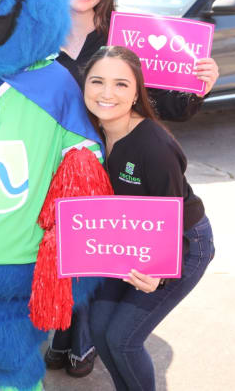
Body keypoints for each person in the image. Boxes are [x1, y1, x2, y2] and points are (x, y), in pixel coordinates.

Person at [45, 0, 220, 377]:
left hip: (114, 180)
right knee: (62, 261)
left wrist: (198, 83)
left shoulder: (120, 40)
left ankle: (81, 345)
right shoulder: (35, 36)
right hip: (54, 168)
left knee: (101, 283)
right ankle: (66, 337)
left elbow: (164, 107)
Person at [82, 45, 215, 390]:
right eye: (97, 81)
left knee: (123, 339)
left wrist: (160, 274)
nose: (107, 93)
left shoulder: (152, 144)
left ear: (137, 91)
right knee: (100, 330)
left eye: (121, 85)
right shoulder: (86, 133)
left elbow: (168, 216)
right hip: (124, 240)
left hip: (181, 244)